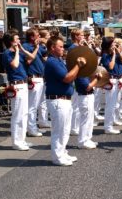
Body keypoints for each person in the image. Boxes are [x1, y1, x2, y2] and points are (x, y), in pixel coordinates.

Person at [44, 36, 86, 166]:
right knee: (59, 130)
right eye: (60, 46)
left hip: (64, 99)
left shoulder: (58, 60)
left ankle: (62, 152)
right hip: (58, 100)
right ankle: (57, 157)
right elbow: (67, 78)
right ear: (52, 48)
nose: (63, 49)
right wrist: (78, 65)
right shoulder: (52, 61)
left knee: (65, 129)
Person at [2, 31, 39, 151]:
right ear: (11, 41)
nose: (19, 41)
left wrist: (22, 49)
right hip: (16, 86)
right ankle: (17, 142)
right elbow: (15, 65)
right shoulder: (7, 53)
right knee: (18, 115)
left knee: (24, 114)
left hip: (23, 84)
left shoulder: (19, 52)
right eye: (17, 39)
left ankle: (21, 140)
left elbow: (32, 58)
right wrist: (17, 51)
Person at [23, 28, 47, 137]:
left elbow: (46, 55)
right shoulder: (27, 46)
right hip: (33, 78)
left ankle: (34, 126)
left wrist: (46, 43)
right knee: (32, 105)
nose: (39, 37)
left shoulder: (36, 46)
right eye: (37, 35)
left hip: (40, 78)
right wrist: (37, 48)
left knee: (38, 104)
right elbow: (28, 60)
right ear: (32, 37)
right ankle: (31, 128)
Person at [101, 36, 122, 134]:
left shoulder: (116, 54)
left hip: (117, 79)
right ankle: (108, 126)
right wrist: (114, 54)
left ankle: (112, 122)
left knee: (115, 103)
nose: (114, 45)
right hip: (111, 80)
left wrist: (118, 53)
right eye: (112, 44)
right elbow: (110, 67)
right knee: (110, 105)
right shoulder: (105, 55)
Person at [75, 73, 102, 149]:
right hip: (85, 97)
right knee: (85, 120)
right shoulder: (81, 74)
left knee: (90, 120)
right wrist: (97, 78)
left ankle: (87, 139)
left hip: (88, 96)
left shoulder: (85, 73)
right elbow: (88, 87)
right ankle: (82, 141)